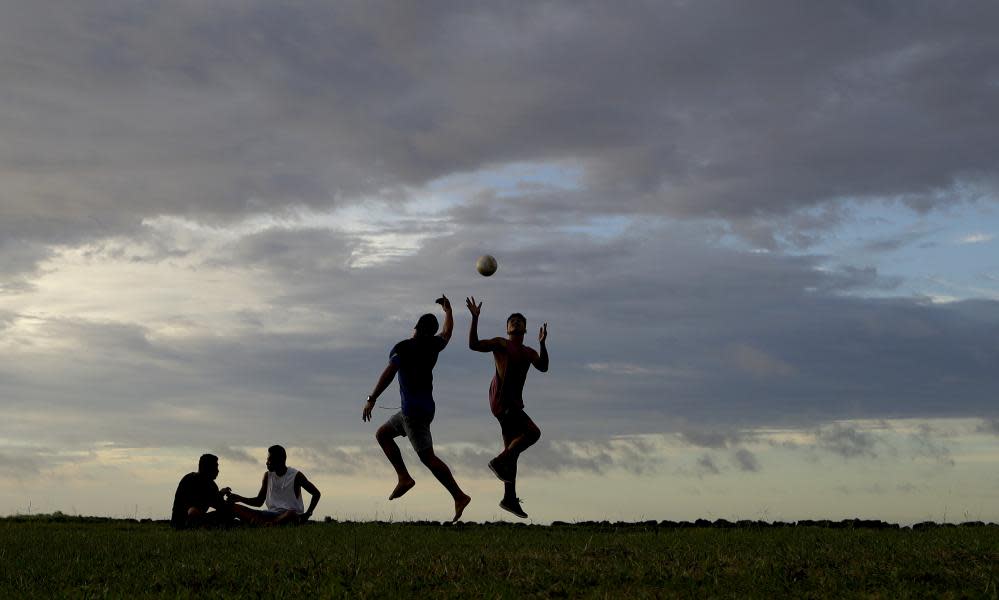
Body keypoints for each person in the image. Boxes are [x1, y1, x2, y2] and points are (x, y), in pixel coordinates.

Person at [363, 294, 472, 522]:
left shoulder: (404, 347)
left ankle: (459, 495)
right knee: (383, 434)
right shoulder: (433, 346)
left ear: (415, 327)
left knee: (428, 458)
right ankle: (403, 477)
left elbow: (390, 373)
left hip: (413, 413)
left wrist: (372, 397)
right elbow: (447, 333)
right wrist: (449, 311)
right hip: (421, 410)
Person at [466, 296, 548, 518]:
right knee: (533, 433)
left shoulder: (529, 351)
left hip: (512, 404)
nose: (516, 322)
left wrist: (542, 343)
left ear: (525, 329)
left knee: (513, 452)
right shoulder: (502, 344)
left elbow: (543, 367)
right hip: (503, 402)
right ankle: (499, 461)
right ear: (507, 328)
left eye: (520, 321)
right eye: (512, 321)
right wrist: (474, 319)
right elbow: (473, 345)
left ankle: (509, 498)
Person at [226, 445, 321, 525]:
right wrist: (240, 498)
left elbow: (316, 494)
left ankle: (266, 524)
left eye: (269, 460)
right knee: (234, 507)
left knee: (291, 514)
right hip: (269, 515)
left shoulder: (296, 475)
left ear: (280, 460)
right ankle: (267, 524)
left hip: (289, 517)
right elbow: (259, 502)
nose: (266, 463)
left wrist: (307, 514)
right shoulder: (268, 476)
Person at [171, 453, 234, 529]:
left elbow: (216, 502)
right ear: (208, 468)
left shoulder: (190, 478)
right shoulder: (194, 481)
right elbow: (214, 502)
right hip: (184, 522)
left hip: (182, 522)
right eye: (215, 467)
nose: (218, 471)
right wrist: (222, 495)